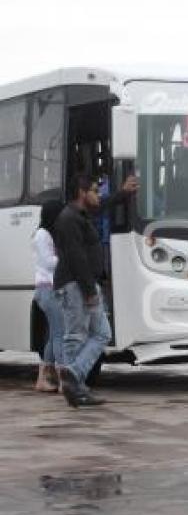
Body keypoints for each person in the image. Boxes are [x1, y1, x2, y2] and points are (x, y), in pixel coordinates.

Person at [53, 173, 138, 407]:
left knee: (100, 333)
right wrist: (90, 291)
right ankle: (75, 386)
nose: (97, 195)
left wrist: (123, 192)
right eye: (93, 190)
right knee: (77, 336)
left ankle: (73, 379)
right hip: (76, 285)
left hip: (85, 284)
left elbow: (104, 204)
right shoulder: (69, 219)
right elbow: (76, 258)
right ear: (82, 193)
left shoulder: (82, 215)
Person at [32, 200, 65, 393]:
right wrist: (67, 257)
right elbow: (48, 263)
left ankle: (42, 380)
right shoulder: (42, 235)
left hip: (50, 289)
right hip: (47, 290)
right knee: (61, 334)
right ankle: (64, 380)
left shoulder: (48, 234)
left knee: (54, 335)